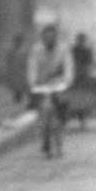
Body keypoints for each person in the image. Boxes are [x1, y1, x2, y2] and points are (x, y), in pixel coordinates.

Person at [27, 22, 71, 158]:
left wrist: (66, 81)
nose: (49, 40)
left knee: (59, 117)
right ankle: (44, 140)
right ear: (42, 38)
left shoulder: (63, 49)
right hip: (42, 85)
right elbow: (32, 67)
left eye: (51, 37)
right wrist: (33, 82)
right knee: (42, 114)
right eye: (46, 37)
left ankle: (59, 144)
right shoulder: (36, 50)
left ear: (55, 37)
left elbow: (69, 67)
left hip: (58, 84)